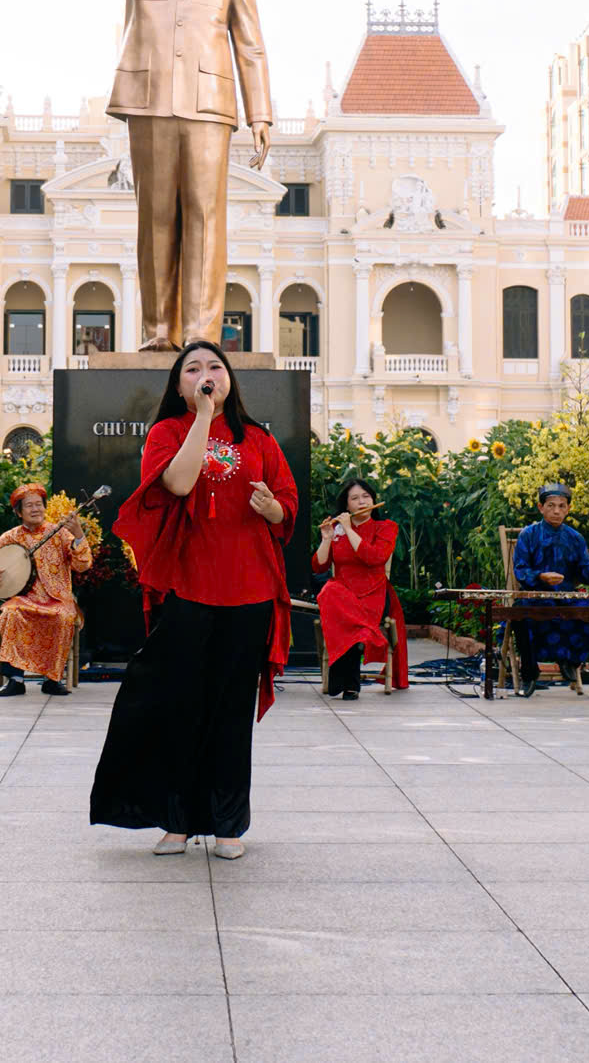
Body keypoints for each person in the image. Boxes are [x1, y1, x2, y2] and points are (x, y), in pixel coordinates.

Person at [89, 341, 295, 860]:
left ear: (231, 379)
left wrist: (272, 509)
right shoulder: (167, 433)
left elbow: (287, 510)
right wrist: (202, 417)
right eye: (194, 370)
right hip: (188, 587)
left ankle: (228, 825)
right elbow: (178, 484)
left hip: (248, 589)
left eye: (215, 367)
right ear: (179, 385)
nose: (207, 375)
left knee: (231, 710)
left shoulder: (262, 440)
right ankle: (177, 822)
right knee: (181, 706)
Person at [68, 0, 274, 349]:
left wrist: (261, 115)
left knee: (206, 219)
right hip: (149, 100)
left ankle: (200, 339)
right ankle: (159, 334)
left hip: (211, 106)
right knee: (156, 218)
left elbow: (250, 42)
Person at [0, 483, 94, 696]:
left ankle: (52, 679)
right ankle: (15, 680)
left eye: (39, 504)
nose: (35, 509)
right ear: (18, 512)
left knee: (63, 617)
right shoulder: (10, 537)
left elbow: (82, 565)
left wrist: (78, 536)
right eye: (29, 505)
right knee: (11, 613)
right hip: (25, 598)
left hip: (57, 598)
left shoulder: (59, 533)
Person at [511, 482, 589, 698]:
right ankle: (529, 673)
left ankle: (571, 659)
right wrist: (540, 577)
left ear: (568, 509)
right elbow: (520, 571)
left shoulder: (575, 538)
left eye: (561, 506)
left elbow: (586, 573)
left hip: (566, 597)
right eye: (551, 505)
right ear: (541, 508)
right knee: (520, 614)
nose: (556, 511)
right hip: (535, 596)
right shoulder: (528, 535)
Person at [312, 476, 407, 699]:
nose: (362, 502)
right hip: (341, 592)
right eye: (354, 498)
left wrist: (349, 529)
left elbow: (374, 558)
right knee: (329, 591)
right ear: (346, 505)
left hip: (372, 593)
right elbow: (319, 566)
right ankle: (351, 678)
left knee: (343, 613)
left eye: (366, 496)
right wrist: (326, 539)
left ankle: (341, 677)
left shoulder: (386, 527)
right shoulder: (336, 529)